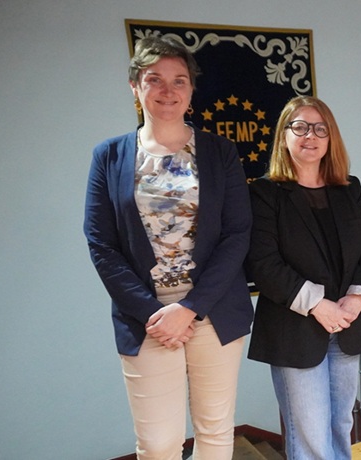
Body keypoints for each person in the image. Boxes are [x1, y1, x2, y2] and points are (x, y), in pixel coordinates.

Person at [84, 35, 253, 460]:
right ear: (135, 86)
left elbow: (237, 234)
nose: (167, 90)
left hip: (214, 310)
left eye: (179, 80)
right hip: (148, 319)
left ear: (191, 90)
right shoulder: (109, 156)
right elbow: (101, 243)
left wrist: (190, 307)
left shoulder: (220, 152)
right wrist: (154, 314)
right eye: (154, 79)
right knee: (158, 444)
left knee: (215, 433)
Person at [246, 96, 361, 460]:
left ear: (330, 138)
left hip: (346, 324)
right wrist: (318, 305)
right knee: (310, 434)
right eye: (301, 127)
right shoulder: (264, 193)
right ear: (284, 135)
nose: (311, 136)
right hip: (295, 329)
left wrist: (358, 298)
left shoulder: (349, 188)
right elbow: (262, 263)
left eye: (320, 129)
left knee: (340, 425)